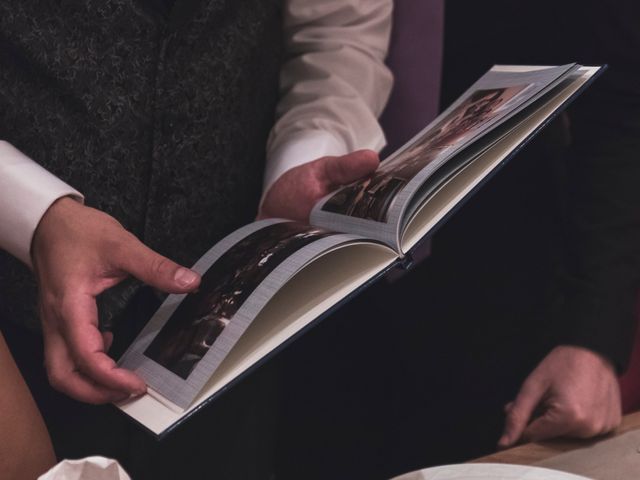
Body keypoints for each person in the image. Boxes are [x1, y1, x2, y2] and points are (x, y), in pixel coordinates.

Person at [0, 0, 392, 477]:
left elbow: (338, 29)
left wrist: (307, 152)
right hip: (17, 343)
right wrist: (34, 215)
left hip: (231, 331)